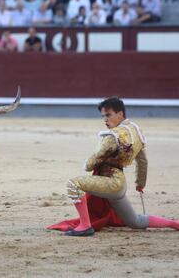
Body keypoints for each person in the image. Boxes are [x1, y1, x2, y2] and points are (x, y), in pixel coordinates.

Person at [54, 97, 179, 236]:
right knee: (135, 222)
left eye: (108, 115)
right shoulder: (135, 131)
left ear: (120, 114)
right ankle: (175, 224)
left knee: (73, 184)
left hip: (111, 183)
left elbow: (91, 164)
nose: (105, 120)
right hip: (119, 185)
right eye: (103, 116)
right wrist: (140, 184)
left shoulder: (113, 136)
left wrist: (86, 163)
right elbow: (143, 162)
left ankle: (85, 226)